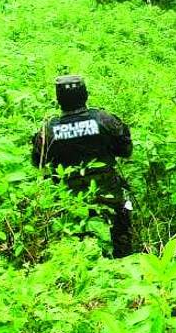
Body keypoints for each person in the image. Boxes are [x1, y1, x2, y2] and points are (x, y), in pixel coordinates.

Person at [31, 75, 134, 257]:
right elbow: (126, 150)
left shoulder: (48, 130)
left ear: (59, 99)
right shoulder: (104, 119)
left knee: (74, 246)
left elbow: (38, 163)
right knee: (121, 239)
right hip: (108, 193)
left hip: (69, 199)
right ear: (85, 94)